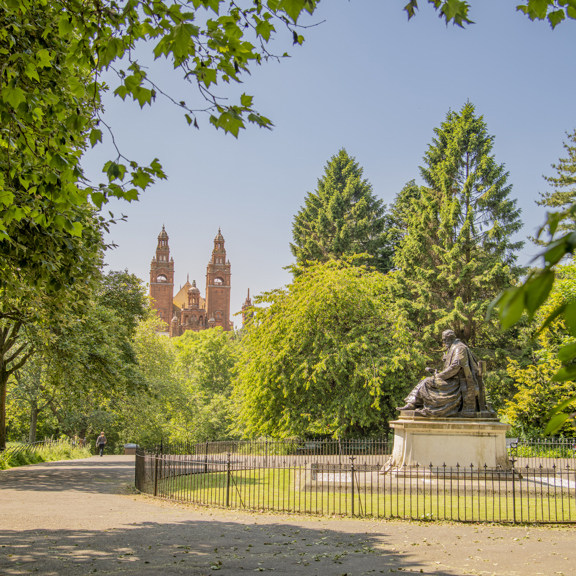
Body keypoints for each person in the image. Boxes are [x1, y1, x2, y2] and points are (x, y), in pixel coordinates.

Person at [396, 329, 479, 417]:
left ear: (449, 338)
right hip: (451, 380)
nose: (443, 341)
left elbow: (455, 367)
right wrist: (436, 372)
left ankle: (413, 404)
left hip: (457, 383)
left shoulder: (460, 348)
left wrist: (439, 376)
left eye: (444, 339)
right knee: (424, 381)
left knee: (426, 382)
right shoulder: (453, 347)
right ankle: (412, 404)